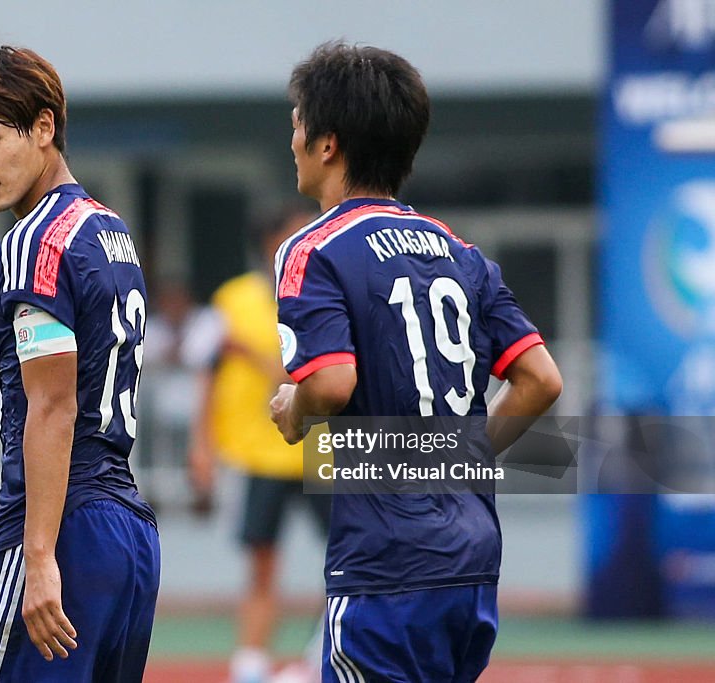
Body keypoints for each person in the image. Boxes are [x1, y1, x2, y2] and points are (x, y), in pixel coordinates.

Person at [269, 42, 563, 682]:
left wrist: (294, 409)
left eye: (296, 122)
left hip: (385, 561)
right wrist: (463, 456)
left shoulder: (312, 249)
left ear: (328, 144)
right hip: (472, 557)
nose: (290, 138)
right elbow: (540, 380)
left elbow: (331, 380)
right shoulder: (461, 253)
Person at [0, 46, 161, 682]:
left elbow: (52, 404)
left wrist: (36, 555)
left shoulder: (35, 241)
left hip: (64, 525)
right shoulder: (108, 230)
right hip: (128, 532)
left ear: (44, 126)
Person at [188, 204, 328, 683]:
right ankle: (251, 664)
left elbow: (320, 378)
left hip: (324, 455)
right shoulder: (232, 302)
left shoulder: (324, 297)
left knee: (348, 561)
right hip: (257, 454)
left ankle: (322, 657)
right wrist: (200, 447)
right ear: (269, 244)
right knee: (262, 562)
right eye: (293, 235)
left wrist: (254, 356)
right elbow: (205, 377)